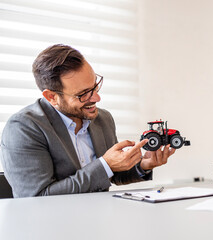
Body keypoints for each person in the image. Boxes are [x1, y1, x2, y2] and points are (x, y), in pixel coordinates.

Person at [1, 44, 175, 198]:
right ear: (52, 97)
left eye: (95, 86)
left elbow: (110, 174)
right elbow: (38, 197)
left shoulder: (102, 119)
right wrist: (105, 164)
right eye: (83, 94)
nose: (97, 98)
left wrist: (143, 164)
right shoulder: (24, 128)